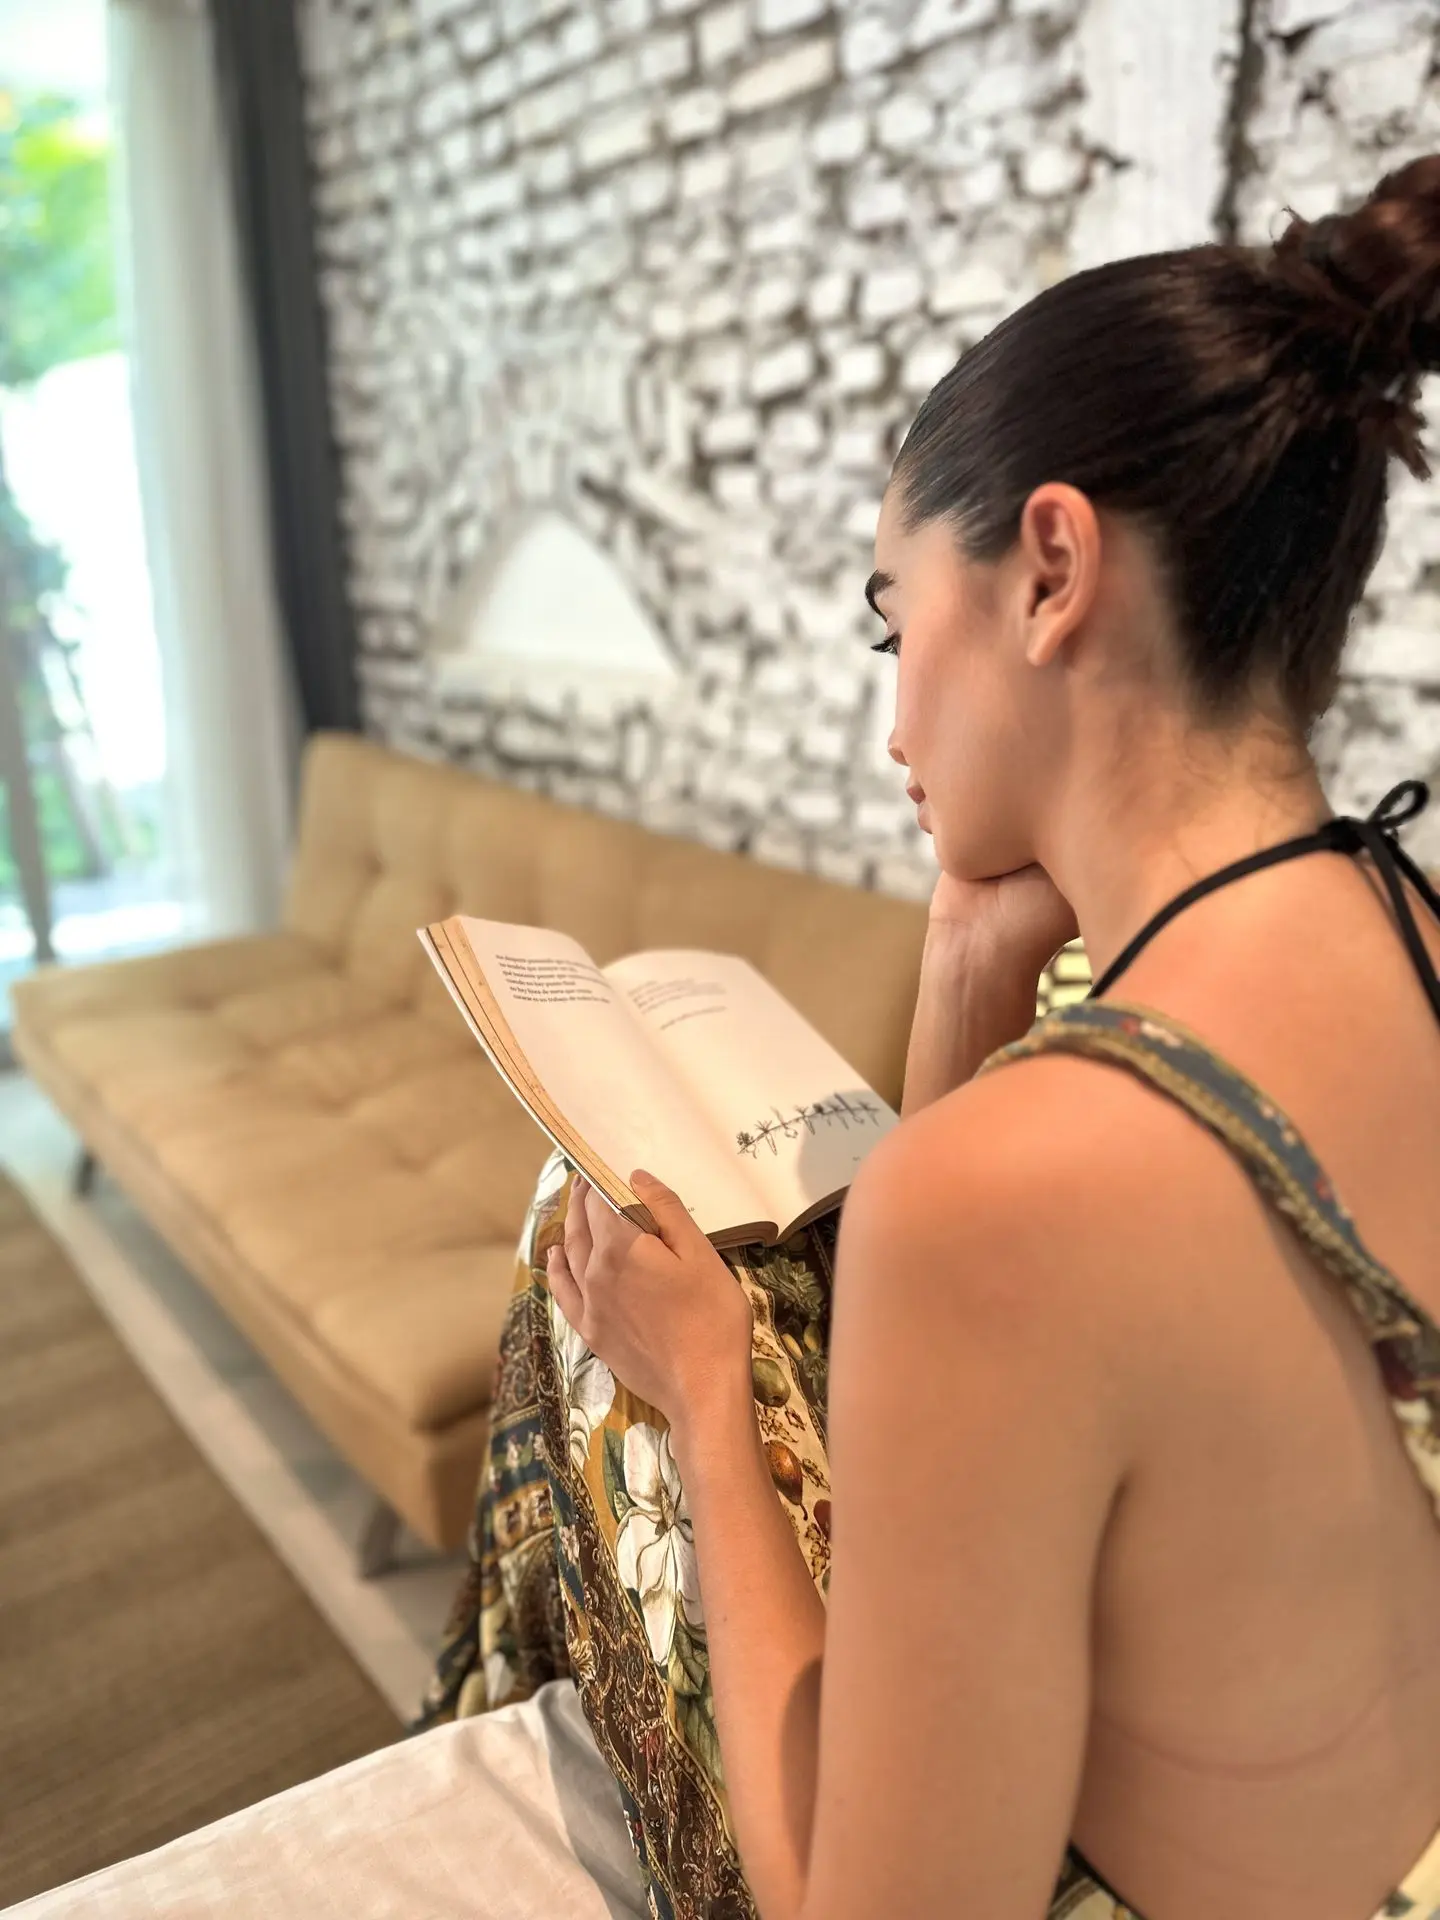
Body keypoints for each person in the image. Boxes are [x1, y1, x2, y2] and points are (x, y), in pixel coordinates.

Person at [546, 153, 1440, 1920]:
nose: (894, 720)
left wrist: (706, 1399)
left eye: (895, 620)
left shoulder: (1012, 1192)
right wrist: (965, 964)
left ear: (1049, 570)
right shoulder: (1410, 930)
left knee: (569, 1282)